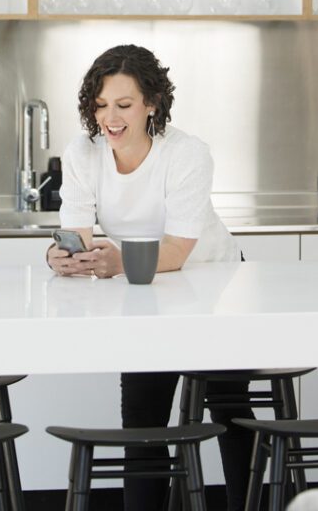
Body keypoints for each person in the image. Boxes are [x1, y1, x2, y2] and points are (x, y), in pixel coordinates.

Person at [46, 43, 254, 511]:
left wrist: (116, 262)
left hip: (212, 283)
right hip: (144, 290)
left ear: (151, 105)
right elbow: (73, 231)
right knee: (142, 416)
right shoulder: (83, 153)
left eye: (123, 105)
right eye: (101, 105)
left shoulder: (186, 154)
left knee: (227, 405)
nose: (110, 118)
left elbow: (179, 249)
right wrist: (62, 256)